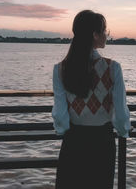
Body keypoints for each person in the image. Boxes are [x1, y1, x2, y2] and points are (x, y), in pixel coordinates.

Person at [52, 10, 131, 189]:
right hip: (101, 143)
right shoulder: (113, 68)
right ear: (95, 35)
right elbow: (120, 114)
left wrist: (64, 130)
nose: (106, 35)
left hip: (73, 142)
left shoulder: (60, 69)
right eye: (104, 31)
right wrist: (124, 130)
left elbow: (60, 114)